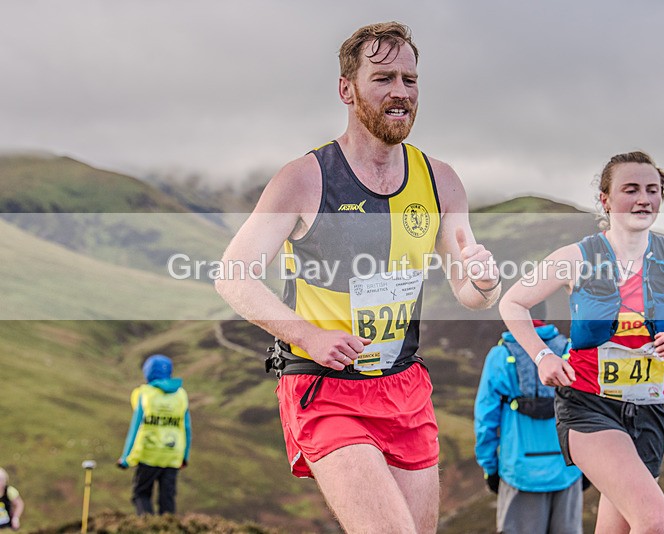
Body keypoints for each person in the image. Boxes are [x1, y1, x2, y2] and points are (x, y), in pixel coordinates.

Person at [215, 21, 500, 534]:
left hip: (404, 385)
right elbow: (233, 276)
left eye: (410, 80)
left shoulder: (440, 181)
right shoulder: (304, 179)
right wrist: (309, 336)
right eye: (383, 78)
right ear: (347, 89)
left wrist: (485, 283)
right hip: (324, 384)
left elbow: (470, 292)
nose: (400, 92)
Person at [499, 151, 664, 534]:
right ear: (605, 199)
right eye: (631, 189)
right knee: (653, 519)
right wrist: (542, 356)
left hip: (651, 409)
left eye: (652, 190)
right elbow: (512, 302)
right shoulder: (576, 257)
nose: (644, 199)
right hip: (589, 406)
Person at [475, 302, 584, 534]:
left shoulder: (500, 356)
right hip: (568, 471)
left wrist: (490, 468)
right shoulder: (569, 351)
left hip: (518, 472)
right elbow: (590, 411)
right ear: (544, 315)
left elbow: (485, 420)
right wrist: (588, 466)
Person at [117, 354, 192, 515]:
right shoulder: (181, 395)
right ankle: (168, 526)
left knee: (141, 494)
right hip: (172, 456)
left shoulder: (145, 394)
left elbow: (135, 427)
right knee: (167, 500)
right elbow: (187, 428)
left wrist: (126, 458)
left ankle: (147, 525)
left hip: (149, 455)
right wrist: (184, 457)